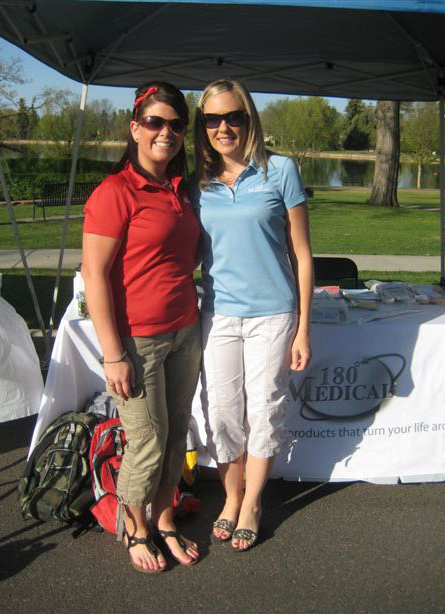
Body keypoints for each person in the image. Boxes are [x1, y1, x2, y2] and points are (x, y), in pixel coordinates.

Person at [81, 81, 201, 572]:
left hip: (185, 332)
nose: (165, 132)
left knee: (175, 438)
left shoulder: (180, 189)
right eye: (154, 122)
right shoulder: (115, 192)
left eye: (175, 125)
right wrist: (113, 354)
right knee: (148, 441)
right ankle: (134, 525)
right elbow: (94, 276)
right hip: (140, 341)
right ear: (134, 128)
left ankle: (166, 517)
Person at [192, 79, 313, 552]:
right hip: (218, 314)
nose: (224, 127)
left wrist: (304, 327)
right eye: (212, 119)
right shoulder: (197, 184)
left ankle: (252, 503)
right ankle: (230, 494)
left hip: (273, 315)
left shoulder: (280, 171)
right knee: (222, 413)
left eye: (233, 117)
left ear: (249, 118)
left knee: (265, 410)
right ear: (203, 127)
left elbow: (303, 255)